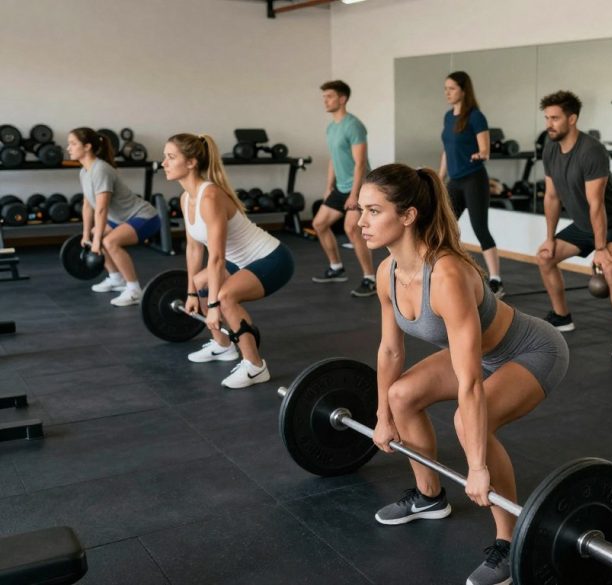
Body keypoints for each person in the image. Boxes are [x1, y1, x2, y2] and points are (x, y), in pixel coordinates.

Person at [361, 163, 569, 585]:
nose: (361, 222)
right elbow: (389, 349)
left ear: (407, 216)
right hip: (478, 356)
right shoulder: (387, 272)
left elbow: (470, 383)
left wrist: (477, 467)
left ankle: (509, 544)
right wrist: (382, 415)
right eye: (360, 210)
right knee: (401, 396)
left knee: (470, 421)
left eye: (373, 211)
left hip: (531, 351)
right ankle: (429, 496)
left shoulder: (448, 274)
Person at [164, 133, 295, 389]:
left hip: (272, 259)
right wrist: (192, 292)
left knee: (224, 297)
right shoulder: (185, 198)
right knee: (202, 283)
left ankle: (255, 366)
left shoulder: (210, 196)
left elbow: (216, 258)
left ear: (191, 162)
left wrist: (213, 305)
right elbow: (193, 250)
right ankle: (223, 345)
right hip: (239, 261)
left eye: (170, 157)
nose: (164, 163)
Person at [535, 90, 612, 359]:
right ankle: (562, 316)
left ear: (572, 119)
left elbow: (597, 204)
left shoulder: (592, 151)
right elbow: (551, 196)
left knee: (610, 267)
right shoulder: (550, 149)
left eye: (555, 118)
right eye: (547, 118)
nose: (549, 124)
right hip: (584, 224)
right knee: (544, 257)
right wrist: (549, 238)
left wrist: (601, 248)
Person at [68, 128, 161, 307]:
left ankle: (134, 290)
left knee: (110, 242)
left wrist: (96, 243)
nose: (68, 148)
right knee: (98, 235)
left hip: (144, 217)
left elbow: (101, 209)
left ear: (87, 147)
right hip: (121, 218)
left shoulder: (100, 169)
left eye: (73, 144)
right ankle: (116, 278)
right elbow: (88, 205)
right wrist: (87, 235)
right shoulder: (84, 171)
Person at [439, 71, 504, 298]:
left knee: (480, 228)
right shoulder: (448, 117)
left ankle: (496, 279)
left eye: (452, 88)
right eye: (445, 88)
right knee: (443, 226)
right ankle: (450, 271)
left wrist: (481, 154)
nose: (447, 92)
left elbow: (485, 149)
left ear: (464, 90)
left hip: (474, 179)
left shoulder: (476, 117)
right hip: (454, 181)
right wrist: (439, 177)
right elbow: (447, 150)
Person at [311, 80, 377, 297]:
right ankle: (336, 267)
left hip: (359, 186)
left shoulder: (354, 126)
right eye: (324, 97)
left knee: (352, 229)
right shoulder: (331, 127)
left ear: (342, 99)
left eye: (329, 96)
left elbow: (360, 163)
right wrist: (329, 186)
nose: (325, 101)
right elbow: (334, 158)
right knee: (319, 224)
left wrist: (354, 194)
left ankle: (370, 278)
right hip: (340, 187)